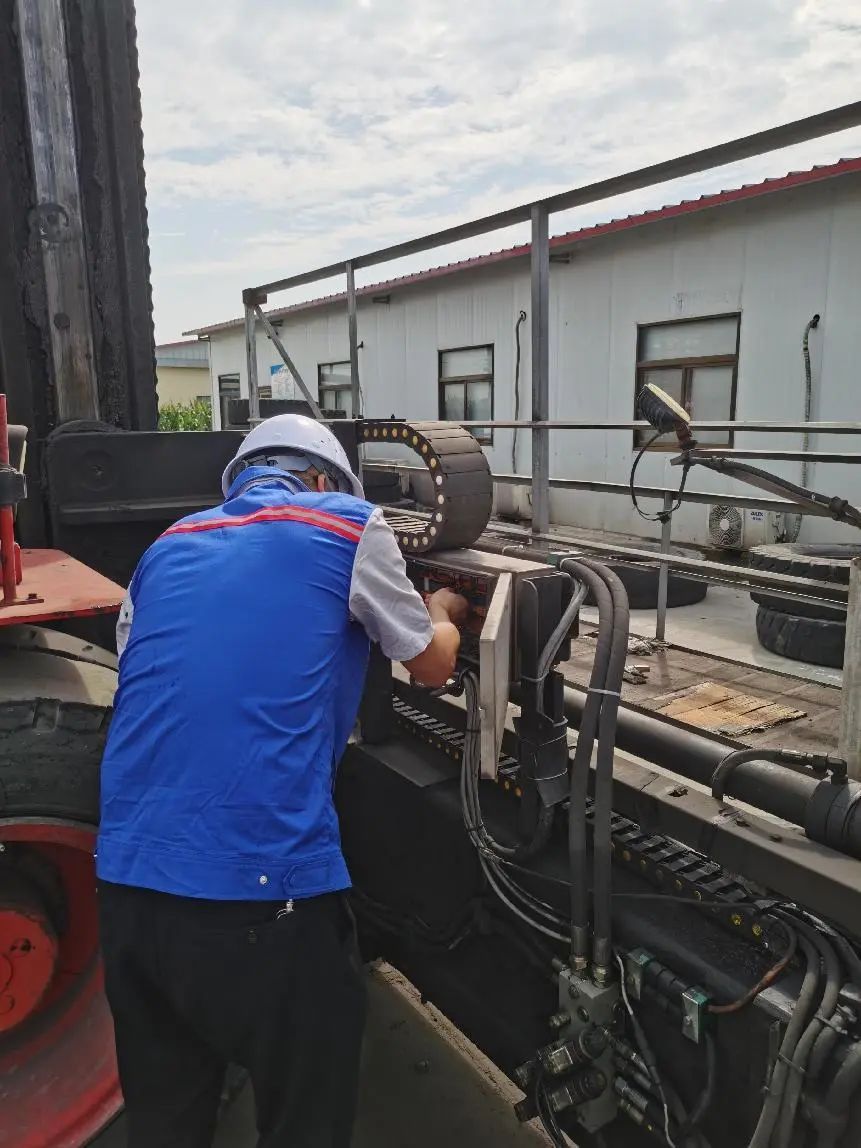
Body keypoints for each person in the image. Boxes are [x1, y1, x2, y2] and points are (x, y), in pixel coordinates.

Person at [96, 414, 468, 1148]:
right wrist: (445, 612)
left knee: (166, 1123)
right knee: (306, 1119)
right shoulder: (345, 523)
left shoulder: (166, 547)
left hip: (128, 895)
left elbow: (152, 674)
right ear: (323, 480)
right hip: (262, 899)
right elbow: (430, 665)